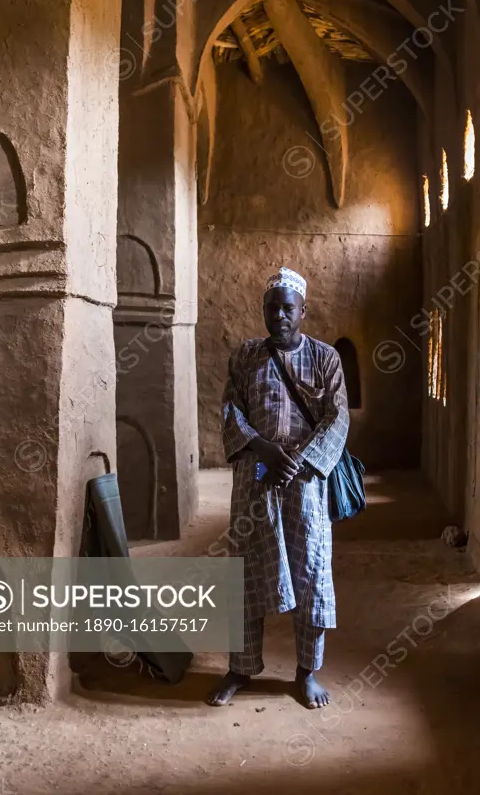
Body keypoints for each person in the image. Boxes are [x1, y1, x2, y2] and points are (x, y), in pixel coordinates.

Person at [206, 267, 349, 709]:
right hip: (255, 482)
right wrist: (265, 450)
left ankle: (307, 673)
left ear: (303, 310)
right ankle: (240, 667)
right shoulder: (246, 356)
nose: (280, 315)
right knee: (246, 574)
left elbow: (337, 417)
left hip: (304, 488)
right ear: (263, 311)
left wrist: (299, 460)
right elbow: (232, 410)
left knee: (311, 574)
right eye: (273, 307)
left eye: (289, 307)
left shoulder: (326, 358)